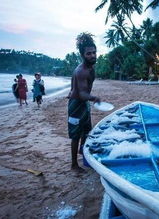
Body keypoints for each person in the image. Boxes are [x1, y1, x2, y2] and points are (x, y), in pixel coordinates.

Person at [67, 32, 100, 170]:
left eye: (94, 52)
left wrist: (89, 98)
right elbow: (82, 93)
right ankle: (74, 164)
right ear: (82, 55)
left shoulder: (90, 67)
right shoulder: (81, 71)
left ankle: (83, 149)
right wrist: (95, 98)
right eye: (89, 54)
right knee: (75, 135)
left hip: (84, 103)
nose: (92, 55)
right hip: (76, 105)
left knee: (87, 130)